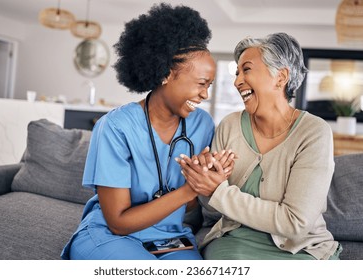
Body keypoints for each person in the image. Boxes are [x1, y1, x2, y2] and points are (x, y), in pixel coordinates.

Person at [61, 3, 234, 260]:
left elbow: (189, 209)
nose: (205, 95)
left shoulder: (202, 124)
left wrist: (207, 178)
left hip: (170, 237)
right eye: (201, 84)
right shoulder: (115, 127)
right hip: (113, 235)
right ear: (165, 73)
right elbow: (118, 222)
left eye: (209, 86)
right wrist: (191, 188)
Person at [177, 32, 342, 260]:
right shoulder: (230, 126)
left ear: (281, 77)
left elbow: (295, 223)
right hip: (235, 242)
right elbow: (214, 212)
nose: (236, 81)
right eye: (236, 72)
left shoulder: (313, 132)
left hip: (301, 249)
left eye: (246, 70)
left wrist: (218, 190)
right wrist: (205, 182)